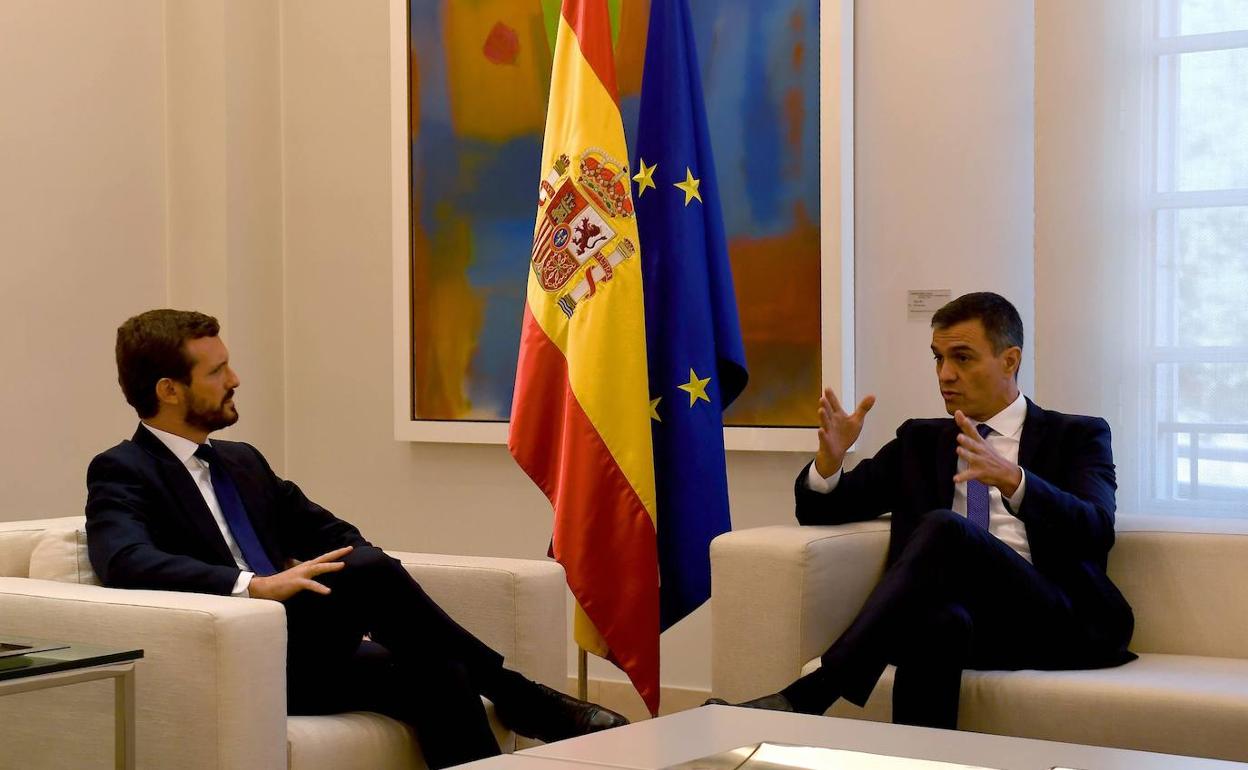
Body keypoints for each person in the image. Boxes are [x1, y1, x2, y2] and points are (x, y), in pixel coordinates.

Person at [86, 309, 628, 769]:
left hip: (310, 645)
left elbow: (333, 532)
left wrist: (345, 579)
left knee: (438, 667)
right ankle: (521, 696)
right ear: (168, 390)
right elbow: (126, 561)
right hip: (239, 656)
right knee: (370, 576)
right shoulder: (123, 470)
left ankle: (513, 709)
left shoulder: (241, 462)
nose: (235, 379)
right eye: (218, 369)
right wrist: (254, 585)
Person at [708, 292, 1135, 729]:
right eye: (938, 358)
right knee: (933, 623)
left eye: (963, 358)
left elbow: (1097, 529)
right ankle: (919, 759)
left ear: (1010, 361)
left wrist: (1014, 480)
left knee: (947, 528)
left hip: (1052, 618)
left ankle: (811, 695)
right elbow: (823, 510)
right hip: (970, 624)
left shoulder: (1077, 435)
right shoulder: (920, 441)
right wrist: (830, 463)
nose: (945, 375)